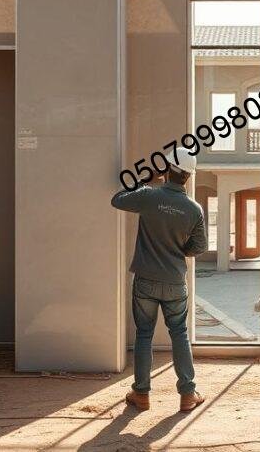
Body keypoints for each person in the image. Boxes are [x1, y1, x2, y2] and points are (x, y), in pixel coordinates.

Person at [111, 149, 207, 412]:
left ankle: (141, 394)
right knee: (180, 333)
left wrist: (146, 181)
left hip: (146, 280)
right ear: (188, 176)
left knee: (144, 335)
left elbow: (117, 199)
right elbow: (198, 247)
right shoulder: (194, 209)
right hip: (175, 281)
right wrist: (177, 250)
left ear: (167, 170)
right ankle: (188, 394)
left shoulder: (149, 195)